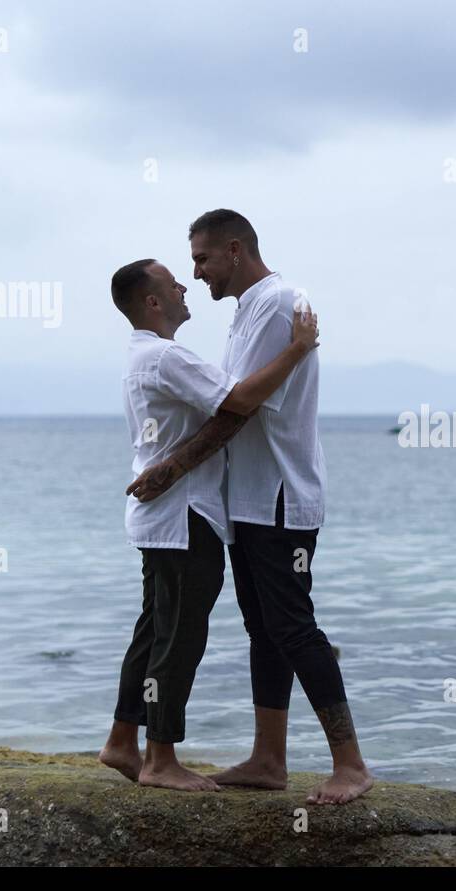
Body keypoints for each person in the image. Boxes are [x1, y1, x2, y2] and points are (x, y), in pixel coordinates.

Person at [127, 210, 373, 804]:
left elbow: (237, 408)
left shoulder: (281, 301)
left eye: (202, 259)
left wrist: (172, 467)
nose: (196, 273)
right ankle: (269, 759)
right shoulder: (247, 310)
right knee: (263, 633)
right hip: (249, 503)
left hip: (281, 500)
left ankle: (351, 766)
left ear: (234, 250)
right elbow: (227, 403)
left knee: (292, 626)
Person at [100, 257, 318, 792]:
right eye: (172, 281)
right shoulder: (166, 356)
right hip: (185, 517)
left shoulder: (143, 356)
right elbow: (240, 400)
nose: (184, 284)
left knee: (153, 630)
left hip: (163, 516)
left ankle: (122, 742)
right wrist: (297, 349)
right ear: (153, 302)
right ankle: (159, 759)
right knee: (179, 637)